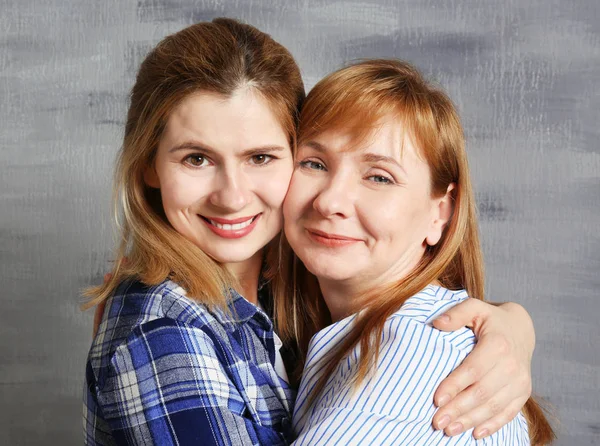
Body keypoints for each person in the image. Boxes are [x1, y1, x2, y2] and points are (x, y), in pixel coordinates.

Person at [84, 18, 538, 445]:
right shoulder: (165, 328)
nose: (232, 196)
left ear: (443, 211)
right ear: (148, 165)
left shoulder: (303, 302)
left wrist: (513, 324)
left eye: (260, 157)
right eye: (196, 159)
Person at [285, 59, 554, 445]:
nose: (330, 201)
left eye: (379, 176)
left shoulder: (411, 359)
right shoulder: (350, 332)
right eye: (314, 163)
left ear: (440, 212)